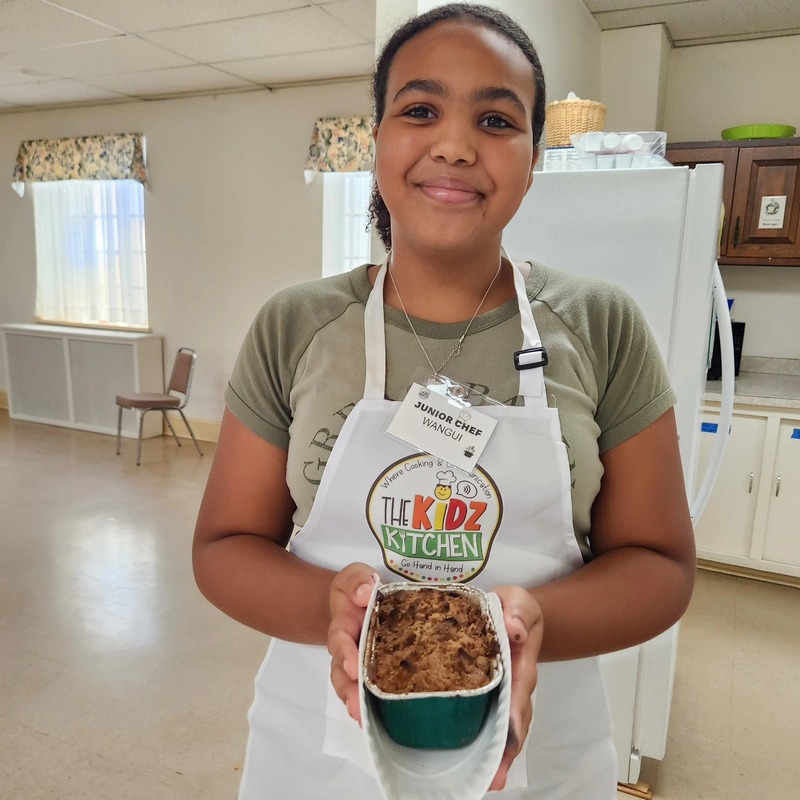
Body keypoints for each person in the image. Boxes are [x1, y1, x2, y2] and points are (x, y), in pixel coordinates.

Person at [192, 3, 696, 799]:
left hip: (539, 760)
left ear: (534, 157)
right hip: (316, 757)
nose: (455, 145)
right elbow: (223, 545)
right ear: (377, 139)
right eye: (420, 110)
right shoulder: (296, 326)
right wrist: (329, 607)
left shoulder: (601, 326)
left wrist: (534, 622)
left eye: (496, 120)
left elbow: (661, 565)